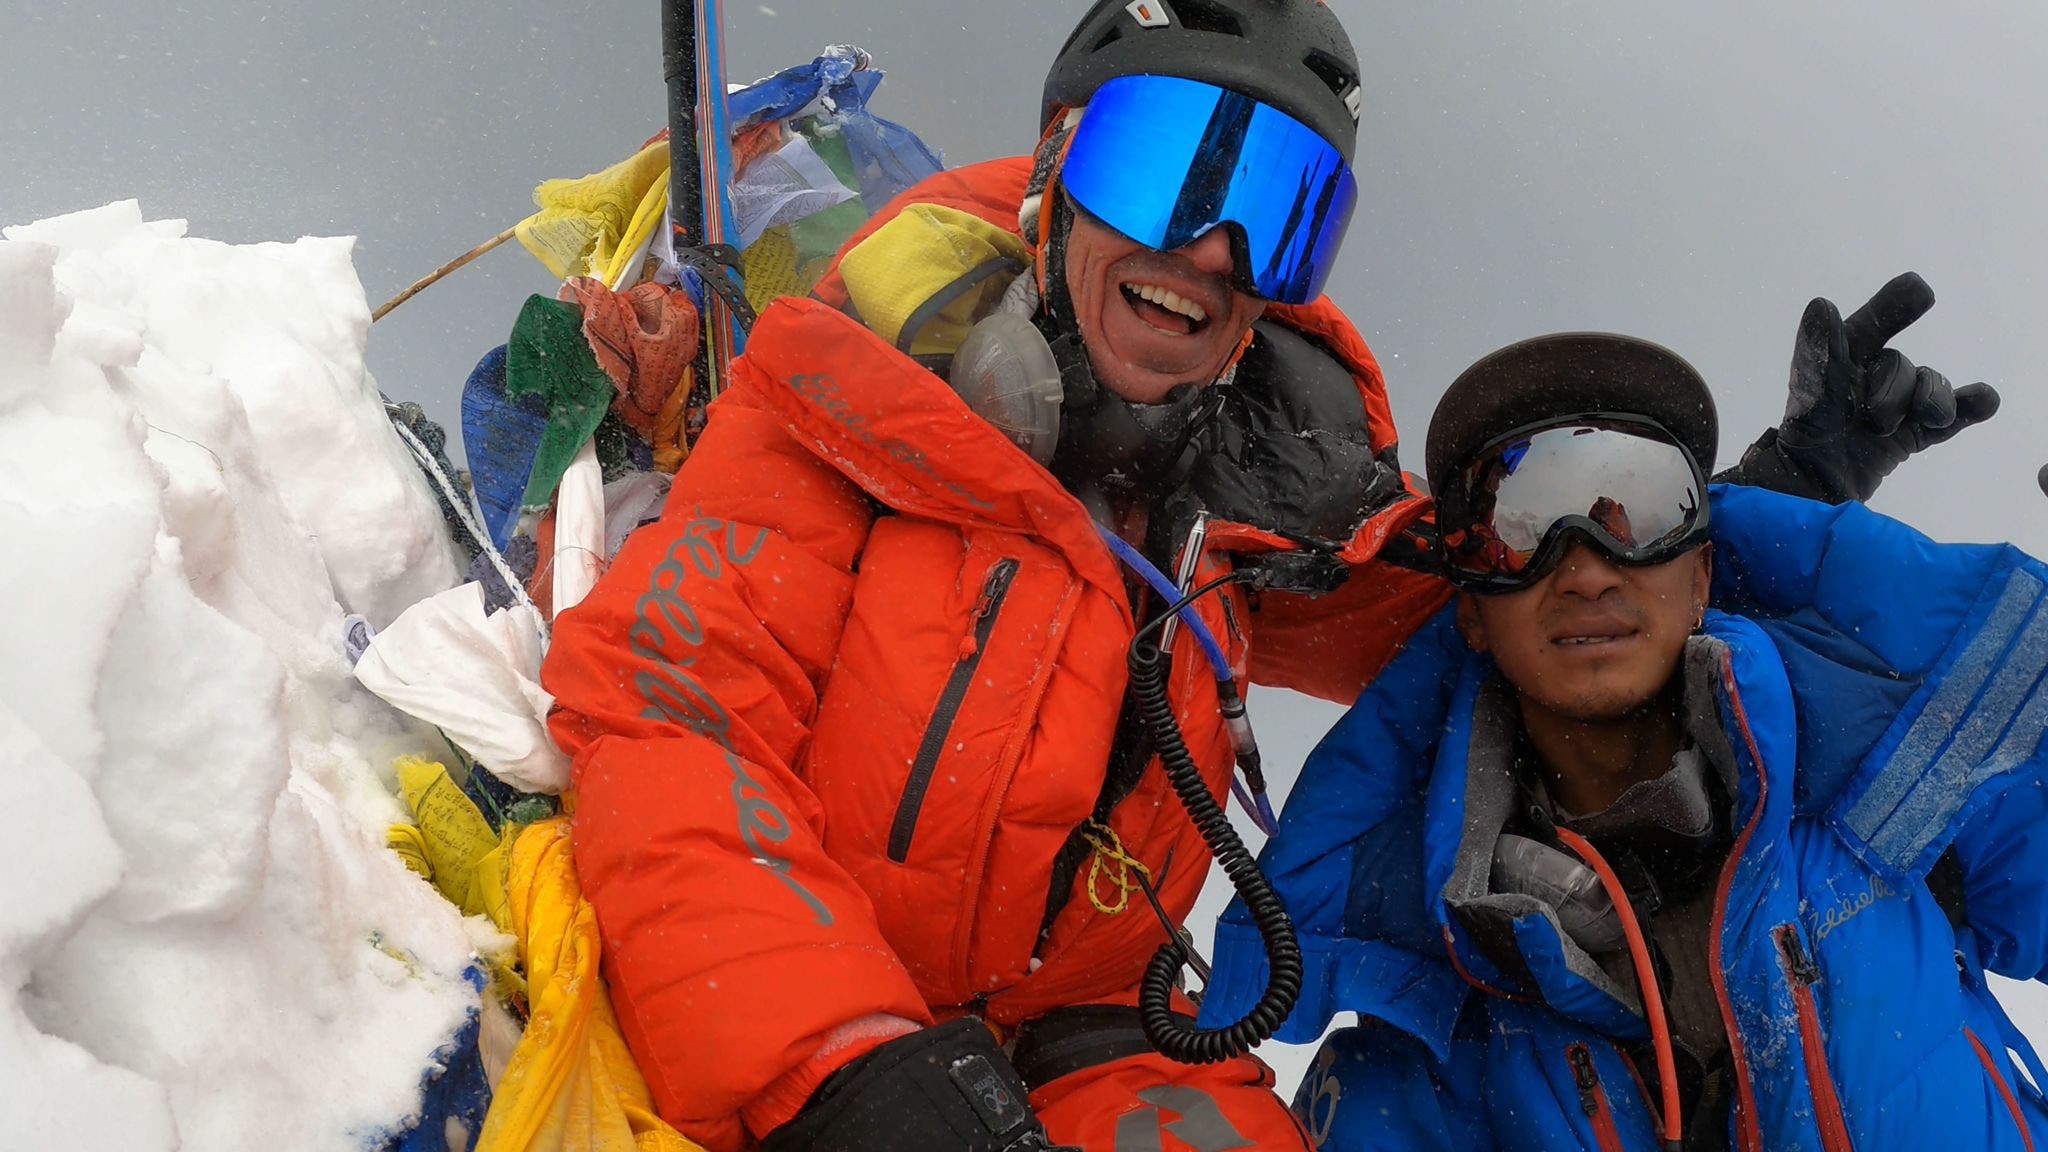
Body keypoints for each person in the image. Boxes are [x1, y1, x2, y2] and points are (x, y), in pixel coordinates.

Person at [541, 2, 1994, 1148]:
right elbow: (672, 724)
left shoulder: (1273, 497)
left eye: (1284, 209)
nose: (1214, 248)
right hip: (835, 1018)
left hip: (1098, 1036)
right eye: (1167, 167)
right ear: (1056, 165)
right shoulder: (844, 415)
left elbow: (1547, 594)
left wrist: (1782, 488)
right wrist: (840, 1068)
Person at [1211, 333, 2048, 1150]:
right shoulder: (1429, 1010)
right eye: (1522, 523)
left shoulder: (1905, 800)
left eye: (1640, 510)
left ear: (1702, 582)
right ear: (1470, 610)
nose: (1586, 568)